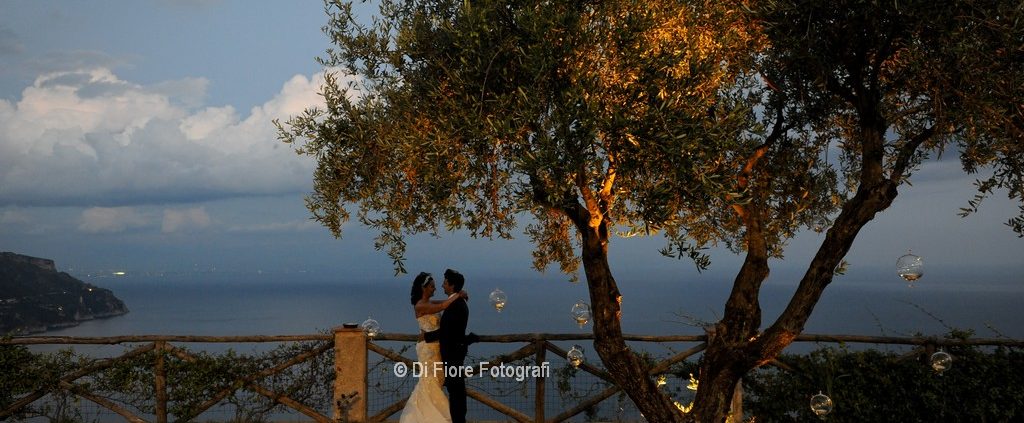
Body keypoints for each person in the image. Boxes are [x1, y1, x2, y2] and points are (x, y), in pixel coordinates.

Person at [398, 272, 466, 423]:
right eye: (433, 287)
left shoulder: (429, 302)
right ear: (424, 288)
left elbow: (443, 302)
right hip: (428, 349)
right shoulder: (421, 305)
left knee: (436, 381)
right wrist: (458, 294)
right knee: (429, 381)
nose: (436, 288)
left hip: (436, 346)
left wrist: (456, 296)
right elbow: (443, 305)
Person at [425, 269, 477, 423]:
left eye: (445, 283)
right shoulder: (456, 302)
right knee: (456, 391)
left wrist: (426, 336)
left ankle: (459, 420)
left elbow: (447, 333)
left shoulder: (457, 305)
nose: (442, 285)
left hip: (453, 355)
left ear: (452, 286)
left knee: (456, 393)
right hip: (454, 354)